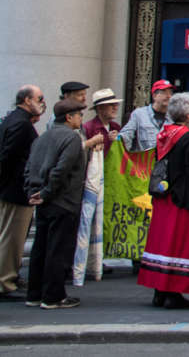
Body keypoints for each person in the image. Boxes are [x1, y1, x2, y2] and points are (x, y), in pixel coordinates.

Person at [24, 99, 99, 309]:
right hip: (63, 201)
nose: (81, 119)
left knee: (41, 247)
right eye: (79, 115)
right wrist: (47, 192)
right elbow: (61, 170)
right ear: (69, 117)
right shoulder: (72, 139)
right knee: (58, 250)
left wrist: (32, 192)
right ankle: (53, 296)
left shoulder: (42, 138)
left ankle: (34, 293)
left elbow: (29, 168)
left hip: (43, 200)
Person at [137, 92, 189, 308]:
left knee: (163, 245)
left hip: (164, 198)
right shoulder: (188, 139)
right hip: (182, 201)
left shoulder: (164, 134)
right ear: (187, 115)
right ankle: (173, 293)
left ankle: (160, 290)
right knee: (178, 246)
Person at [0, 85, 45, 296]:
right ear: (27, 100)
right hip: (16, 190)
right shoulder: (21, 124)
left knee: (12, 237)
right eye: (39, 98)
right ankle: (5, 281)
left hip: (13, 188)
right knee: (12, 239)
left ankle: (10, 277)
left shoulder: (15, 120)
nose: (41, 102)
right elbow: (8, 157)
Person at [71, 92, 110, 287]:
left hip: (105, 182)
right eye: (110, 106)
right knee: (84, 224)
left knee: (95, 225)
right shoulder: (88, 129)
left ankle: (95, 261)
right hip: (85, 183)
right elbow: (72, 154)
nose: (114, 109)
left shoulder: (115, 127)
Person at [119, 79, 173, 153]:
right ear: (154, 96)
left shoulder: (174, 117)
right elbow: (126, 136)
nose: (168, 96)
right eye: (164, 92)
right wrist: (117, 138)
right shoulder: (139, 114)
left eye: (170, 93)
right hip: (144, 162)